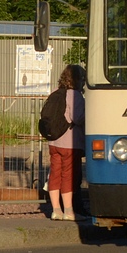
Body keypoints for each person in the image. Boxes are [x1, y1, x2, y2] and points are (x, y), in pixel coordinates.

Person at [48, 64, 86, 221]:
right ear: (77, 79)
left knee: (55, 174)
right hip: (70, 142)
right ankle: (69, 211)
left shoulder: (56, 92)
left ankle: (56, 210)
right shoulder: (75, 95)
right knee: (68, 176)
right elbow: (78, 118)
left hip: (54, 141)